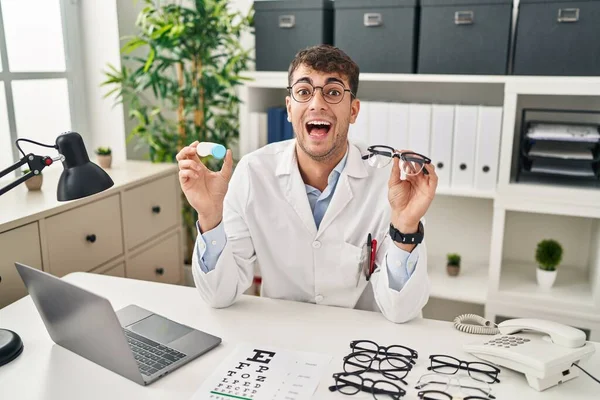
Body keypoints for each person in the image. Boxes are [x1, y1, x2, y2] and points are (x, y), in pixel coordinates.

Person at [176, 44, 438, 323]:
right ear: (289, 108)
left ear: (353, 110)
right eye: (303, 92)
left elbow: (402, 312)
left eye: (334, 92)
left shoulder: (387, 182)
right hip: (283, 338)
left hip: (360, 347)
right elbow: (218, 295)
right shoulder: (253, 173)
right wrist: (209, 216)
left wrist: (406, 228)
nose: (317, 103)